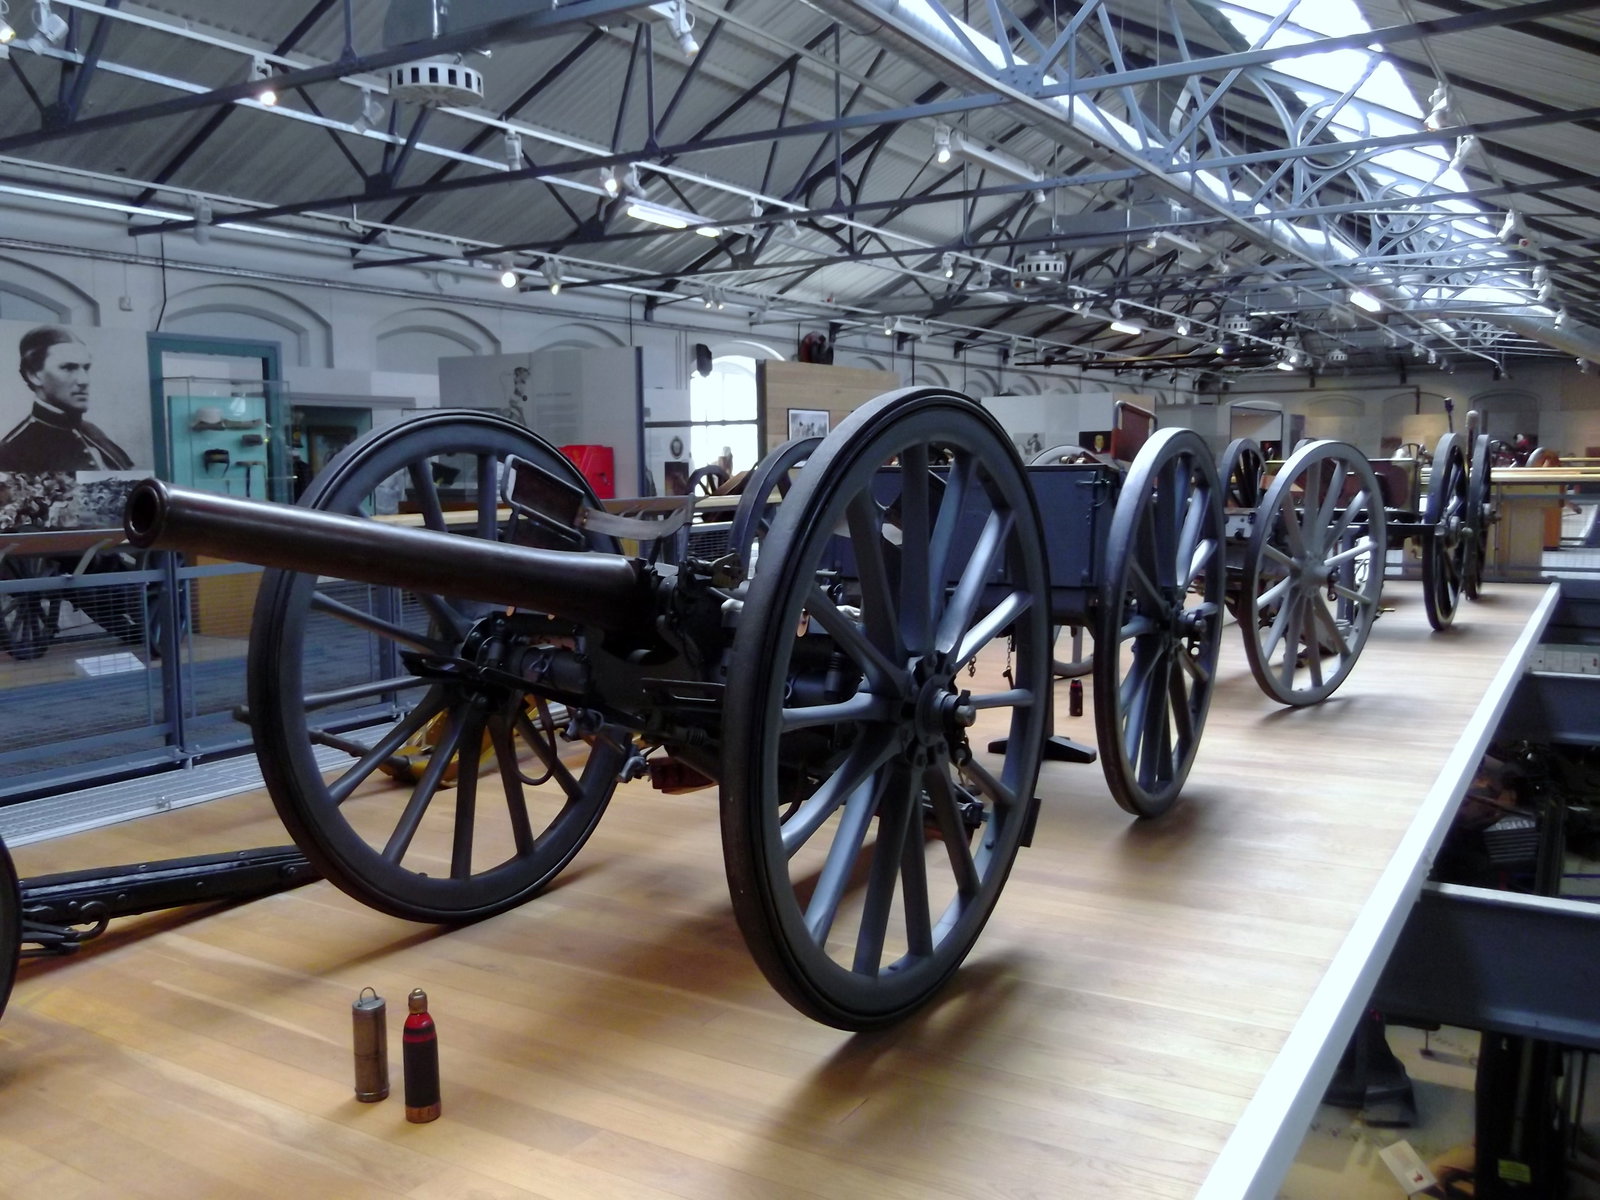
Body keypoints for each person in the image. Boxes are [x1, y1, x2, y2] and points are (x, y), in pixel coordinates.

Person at [0, 326, 133, 472]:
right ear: (34, 375)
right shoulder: (13, 451)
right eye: (68, 368)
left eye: (86, 368)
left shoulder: (94, 432)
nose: (84, 380)